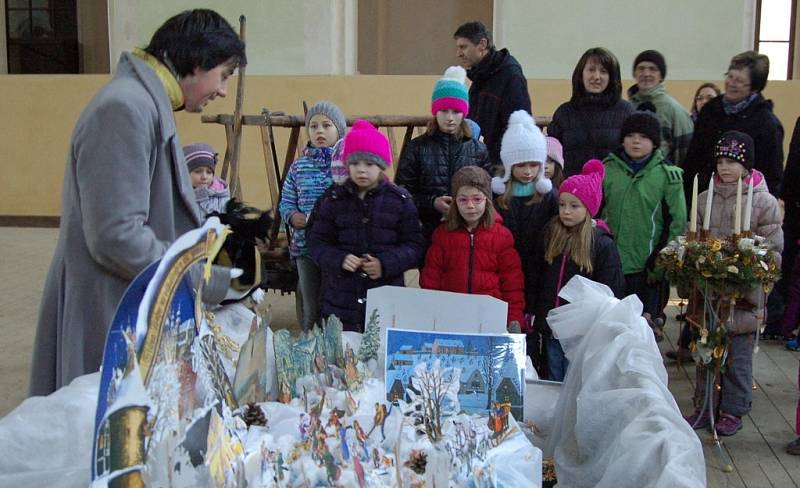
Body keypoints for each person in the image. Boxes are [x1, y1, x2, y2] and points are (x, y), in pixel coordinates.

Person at [29, 9, 245, 396]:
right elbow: (116, 235)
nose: (223, 90)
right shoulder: (124, 108)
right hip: (108, 311)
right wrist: (202, 279)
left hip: (127, 303)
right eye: (224, 75)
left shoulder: (144, 103)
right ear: (197, 62)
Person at [684, 131, 783, 436]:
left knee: (737, 359)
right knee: (705, 352)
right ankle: (705, 404)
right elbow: (693, 237)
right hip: (709, 294)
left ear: (747, 166)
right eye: (721, 161)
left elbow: (773, 251)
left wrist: (749, 267)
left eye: (732, 161)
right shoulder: (705, 198)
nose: (725, 167)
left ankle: (733, 409)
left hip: (744, 297)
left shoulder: (763, 202)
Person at [308, 120, 424, 332]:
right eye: (355, 163)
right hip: (341, 301)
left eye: (369, 164)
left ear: (381, 166)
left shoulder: (399, 200)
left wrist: (385, 264)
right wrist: (339, 259)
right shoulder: (334, 201)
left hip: (387, 298)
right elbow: (317, 244)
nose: (361, 170)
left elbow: (414, 245)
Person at [531, 160, 624, 380]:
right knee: (553, 372)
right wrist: (535, 311)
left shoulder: (601, 243)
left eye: (574, 206)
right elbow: (538, 275)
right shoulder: (551, 233)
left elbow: (610, 286)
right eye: (562, 205)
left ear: (589, 208)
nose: (566, 211)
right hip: (552, 324)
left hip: (581, 330)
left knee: (574, 375)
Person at [602, 111, 687, 342]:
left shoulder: (668, 176)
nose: (636, 141)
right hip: (613, 265)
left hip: (647, 269)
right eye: (630, 135)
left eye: (643, 136)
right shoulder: (607, 170)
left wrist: (659, 263)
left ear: (654, 142)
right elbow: (598, 213)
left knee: (645, 331)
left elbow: (676, 224)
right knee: (612, 330)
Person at [490, 110, 558, 367]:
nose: (528, 171)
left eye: (534, 164)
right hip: (506, 271)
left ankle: (534, 367)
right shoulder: (499, 197)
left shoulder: (548, 197)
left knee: (533, 324)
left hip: (539, 269)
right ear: (509, 166)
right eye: (521, 165)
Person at [395, 66, 491, 247]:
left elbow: (488, 193)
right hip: (428, 233)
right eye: (444, 111)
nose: (450, 118)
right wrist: (432, 203)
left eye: (456, 111)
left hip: (468, 234)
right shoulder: (417, 148)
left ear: (464, 113)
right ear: (435, 111)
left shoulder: (478, 150)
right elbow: (402, 193)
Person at [420, 166, 524, 329]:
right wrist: (431, 314)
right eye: (463, 200)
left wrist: (513, 317)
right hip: (450, 316)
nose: (470, 206)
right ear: (455, 202)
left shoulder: (502, 236)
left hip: (490, 317)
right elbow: (431, 279)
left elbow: (512, 282)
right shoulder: (443, 234)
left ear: (487, 200)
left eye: (477, 199)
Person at [279, 101, 346, 331]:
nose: (320, 131)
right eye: (314, 126)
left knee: (333, 301)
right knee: (310, 305)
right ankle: (309, 349)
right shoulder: (298, 167)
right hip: (305, 248)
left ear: (339, 130)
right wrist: (291, 215)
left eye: (327, 125)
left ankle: (333, 349)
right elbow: (286, 199)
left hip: (336, 248)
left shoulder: (345, 165)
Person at [683, 51, 784, 200]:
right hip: (704, 198)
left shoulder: (767, 124)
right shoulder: (710, 110)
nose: (731, 83)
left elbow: (772, 176)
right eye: (730, 76)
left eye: (739, 80)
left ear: (754, 87)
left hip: (744, 203)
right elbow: (693, 158)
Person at [548, 47, 635, 177]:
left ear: (612, 77)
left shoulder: (626, 112)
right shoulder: (564, 113)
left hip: (612, 191)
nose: (596, 77)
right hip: (572, 192)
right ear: (581, 74)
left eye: (604, 71)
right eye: (591, 70)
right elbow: (551, 157)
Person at [454, 21, 531, 167]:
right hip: (479, 160)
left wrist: (491, 160)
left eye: (463, 47)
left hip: (497, 165)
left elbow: (516, 125)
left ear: (482, 45)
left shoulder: (510, 76)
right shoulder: (480, 75)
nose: (458, 53)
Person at [627, 50, 694, 167]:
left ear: (661, 76)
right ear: (635, 73)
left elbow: (685, 152)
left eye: (653, 69)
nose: (646, 73)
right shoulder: (628, 107)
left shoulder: (673, 109)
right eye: (641, 68)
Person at [185, 143, 230, 217]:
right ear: (186, 173)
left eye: (209, 172)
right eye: (198, 171)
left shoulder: (222, 198)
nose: (204, 177)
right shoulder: (179, 198)